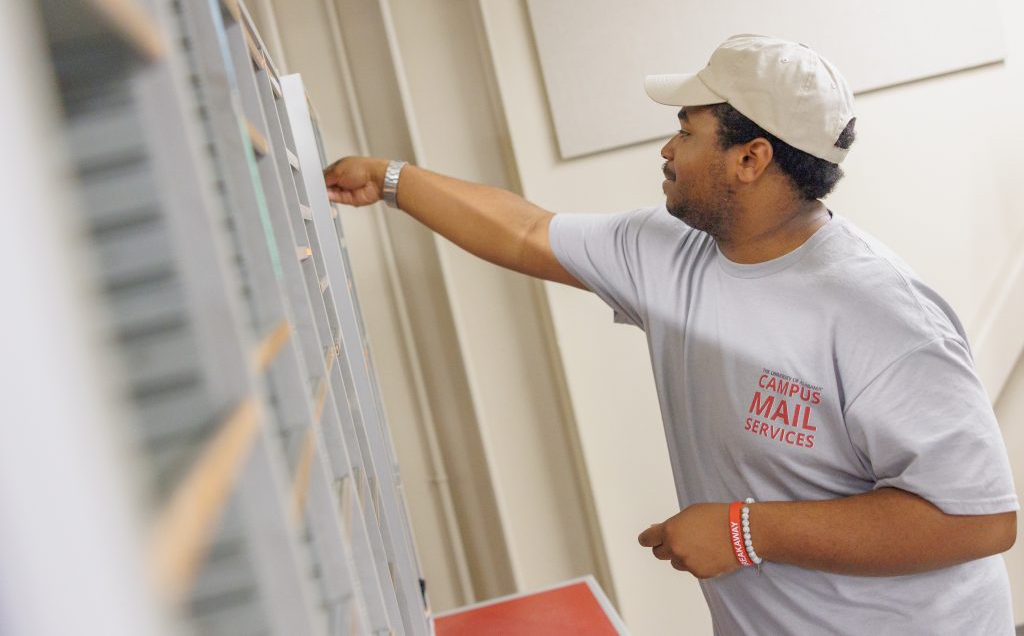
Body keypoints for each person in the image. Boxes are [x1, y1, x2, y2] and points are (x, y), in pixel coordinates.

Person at [323, 35, 1018, 634]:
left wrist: (746, 530)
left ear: (751, 158)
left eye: (686, 131)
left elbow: (979, 520)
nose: (667, 147)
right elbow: (530, 231)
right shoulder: (671, 251)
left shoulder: (883, 313)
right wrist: (391, 180)